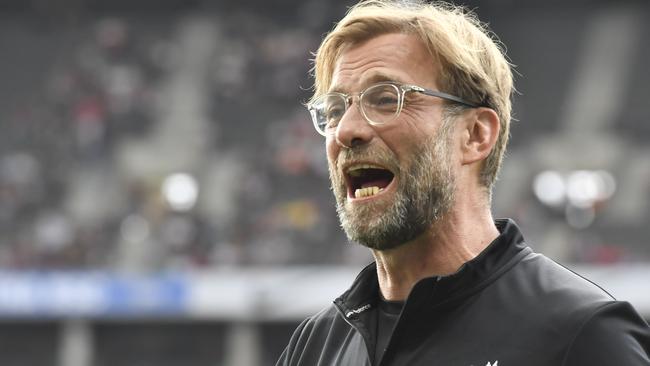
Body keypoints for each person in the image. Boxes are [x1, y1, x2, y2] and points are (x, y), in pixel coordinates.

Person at [276, 1, 650, 365]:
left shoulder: (582, 335)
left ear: (475, 135)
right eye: (336, 109)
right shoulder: (314, 346)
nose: (347, 130)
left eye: (387, 99)